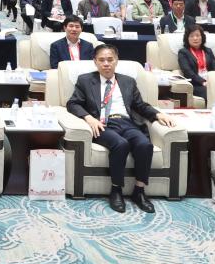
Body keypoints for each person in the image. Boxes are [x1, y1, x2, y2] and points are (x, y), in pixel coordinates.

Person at [66, 44, 175, 214]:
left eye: (110, 60)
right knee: (120, 144)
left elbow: (140, 105)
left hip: (126, 123)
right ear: (95, 62)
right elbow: (73, 103)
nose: (106, 64)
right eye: (102, 60)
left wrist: (157, 114)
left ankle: (139, 191)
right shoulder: (85, 80)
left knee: (144, 145)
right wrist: (89, 118)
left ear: (116, 61)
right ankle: (116, 190)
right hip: (103, 124)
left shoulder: (127, 81)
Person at [176, 24, 215, 101]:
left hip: (211, 81)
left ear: (202, 37)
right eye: (191, 36)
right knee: (209, 92)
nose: (195, 38)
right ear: (187, 38)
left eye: (197, 35)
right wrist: (203, 82)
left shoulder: (208, 51)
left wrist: (213, 81)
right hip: (195, 84)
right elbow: (188, 72)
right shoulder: (183, 52)